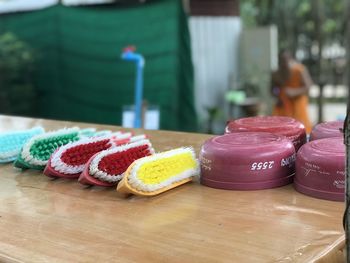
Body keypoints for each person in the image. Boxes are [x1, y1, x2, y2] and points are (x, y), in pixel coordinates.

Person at [271, 50, 313, 133]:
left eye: (285, 61)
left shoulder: (299, 70)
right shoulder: (275, 73)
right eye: (281, 61)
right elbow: (273, 89)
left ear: (290, 59)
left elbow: (308, 86)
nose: (283, 64)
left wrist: (294, 92)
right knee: (281, 131)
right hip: (282, 106)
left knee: (301, 129)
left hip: (298, 105)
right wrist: (277, 94)